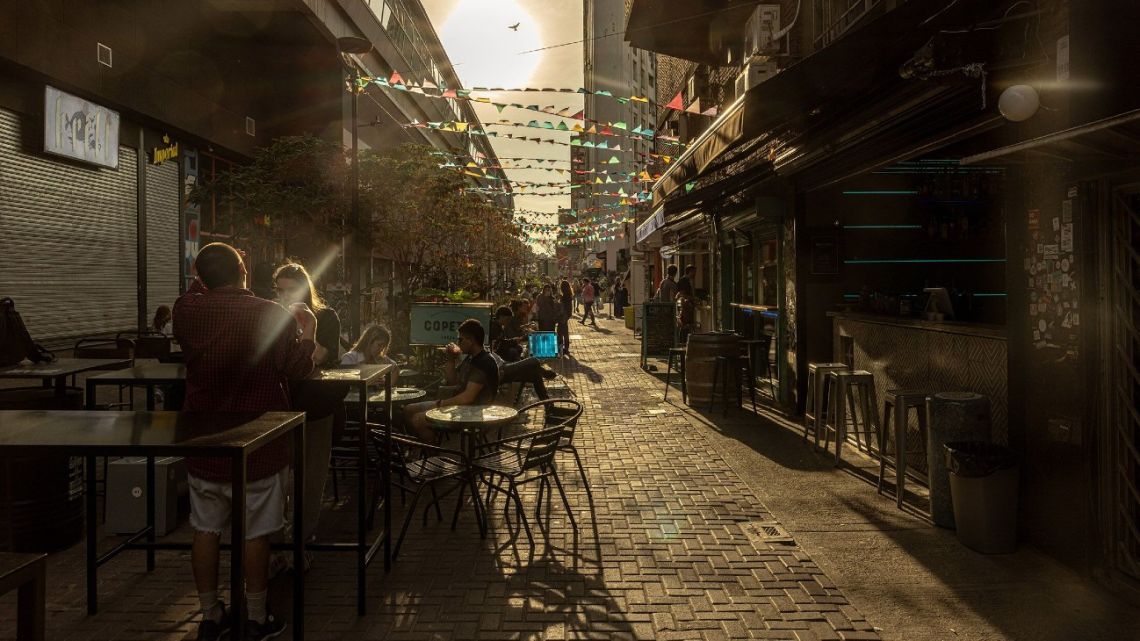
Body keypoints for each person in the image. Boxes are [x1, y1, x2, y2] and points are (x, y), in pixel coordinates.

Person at [173, 243, 315, 641]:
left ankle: (210, 614)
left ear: (201, 278)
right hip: (260, 441)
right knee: (257, 532)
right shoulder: (271, 315)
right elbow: (298, 369)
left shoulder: (187, 312)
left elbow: (195, 295)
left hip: (204, 439)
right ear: (243, 270)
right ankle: (255, 616)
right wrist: (308, 333)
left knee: (205, 528)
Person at [404, 319, 499, 443]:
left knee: (418, 419)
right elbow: (452, 381)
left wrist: (440, 403)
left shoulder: (483, 362)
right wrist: (450, 359)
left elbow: (468, 398)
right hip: (461, 406)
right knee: (408, 409)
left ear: (471, 340)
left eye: (461, 339)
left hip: (472, 413)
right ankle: (422, 444)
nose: (458, 343)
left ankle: (432, 455)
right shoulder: (471, 358)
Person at [273, 262, 340, 368]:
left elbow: (319, 358)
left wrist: (303, 327)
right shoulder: (273, 316)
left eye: (292, 290)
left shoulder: (326, 316)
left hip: (315, 382)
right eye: (280, 291)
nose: (285, 296)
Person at [677, 265, 697, 343]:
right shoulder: (683, 281)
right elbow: (682, 294)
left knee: (686, 325)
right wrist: (693, 299)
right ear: (690, 272)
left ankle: (685, 341)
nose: (695, 274)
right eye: (694, 272)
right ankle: (684, 342)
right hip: (685, 307)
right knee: (685, 325)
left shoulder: (686, 280)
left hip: (686, 307)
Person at [557, 280, 574, 356]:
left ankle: (562, 348)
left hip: (563, 315)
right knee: (565, 332)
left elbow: (562, 306)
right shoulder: (569, 294)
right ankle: (566, 348)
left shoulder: (564, 296)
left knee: (560, 332)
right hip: (567, 315)